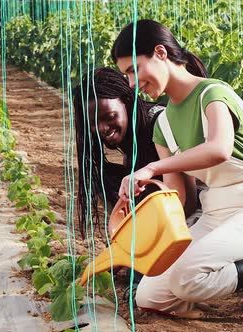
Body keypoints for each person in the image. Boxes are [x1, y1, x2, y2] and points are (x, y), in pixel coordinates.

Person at [111, 19, 243, 321]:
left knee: (186, 277)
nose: (131, 83)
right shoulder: (164, 124)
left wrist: (151, 168)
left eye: (134, 69)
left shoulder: (213, 93)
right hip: (216, 213)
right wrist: (141, 224)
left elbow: (219, 149)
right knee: (148, 294)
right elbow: (179, 198)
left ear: (160, 53)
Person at [72, 67, 199, 299]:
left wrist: (145, 251)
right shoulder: (131, 132)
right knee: (111, 180)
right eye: (94, 123)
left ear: (127, 101)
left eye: (109, 117)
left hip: (195, 212)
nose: (103, 129)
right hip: (161, 215)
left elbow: (186, 199)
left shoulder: (159, 123)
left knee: (150, 287)